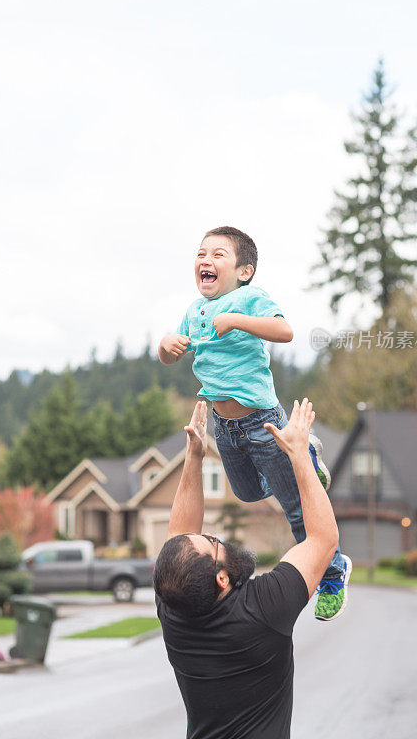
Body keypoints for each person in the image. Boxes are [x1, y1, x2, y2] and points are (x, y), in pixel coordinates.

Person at [158, 225, 351, 619]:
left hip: (263, 423)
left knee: (294, 507)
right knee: (246, 493)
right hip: (225, 428)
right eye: (200, 254)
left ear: (243, 271)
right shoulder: (194, 311)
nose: (205, 261)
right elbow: (171, 356)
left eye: (217, 255)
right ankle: (307, 462)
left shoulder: (249, 298)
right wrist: (166, 345)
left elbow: (284, 330)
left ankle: (333, 572)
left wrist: (236, 319)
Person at [154, 398, 342, 739]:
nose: (214, 536)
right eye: (212, 544)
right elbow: (323, 540)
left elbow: (178, 536)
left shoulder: (178, 603)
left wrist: (195, 455)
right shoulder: (261, 611)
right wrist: (299, 454)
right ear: (222, 578)